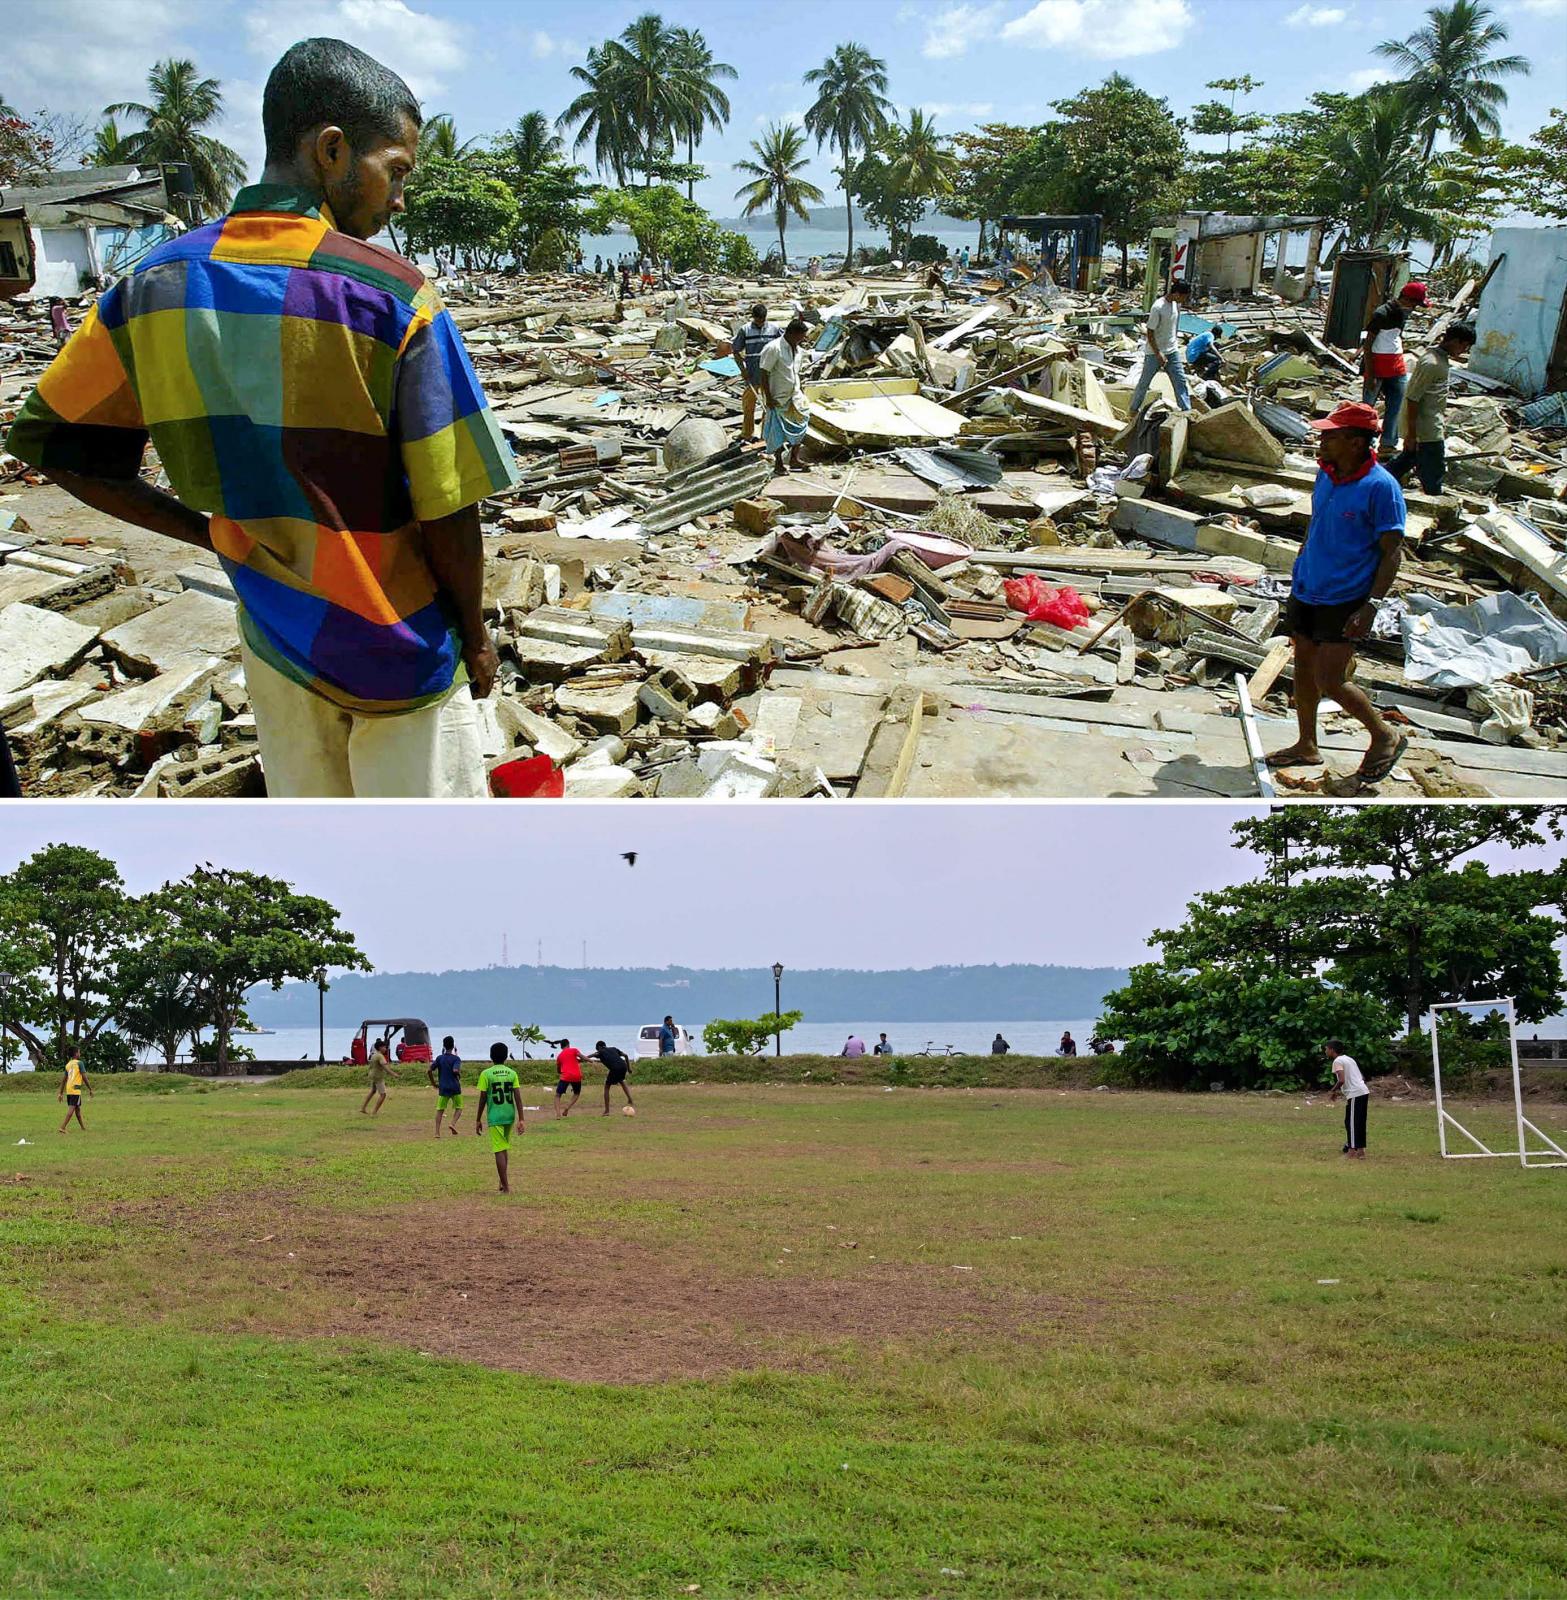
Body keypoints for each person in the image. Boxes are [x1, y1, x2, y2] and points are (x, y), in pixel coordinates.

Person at [4, 39, 518, 800]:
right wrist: (474, 633)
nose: (399, 198)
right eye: (396, 171)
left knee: (317, 880)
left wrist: (205, 529)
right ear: (332, 151)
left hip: (277, 642)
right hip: (398, 647)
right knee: (428, 876)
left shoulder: (149, 284)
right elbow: (448, 503)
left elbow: (61, 449)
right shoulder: (391, 296)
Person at [1267, 401, 1408, 785]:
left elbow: (1392, 552)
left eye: (1331, 436)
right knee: (1304, 668)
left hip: (1346, 597)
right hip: (1309, 585)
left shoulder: (1381, 488)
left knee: (1331, 678)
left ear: (1356, 442)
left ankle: (1384, 735)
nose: (1322, 441)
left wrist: (1372, 605)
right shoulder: (1326, 474)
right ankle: (1307, 744)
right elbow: (1317, 520)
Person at [1386, 322, 1475, 495]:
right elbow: (1412, 398)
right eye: (1464, 345)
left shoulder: (1439, 360)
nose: (1464, 350)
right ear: (1455, 341)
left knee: (1403, 463)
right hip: (1427, 431)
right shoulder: (1431, 363)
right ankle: (1435, 503)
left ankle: (1373, 485)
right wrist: (1411, 434)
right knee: (1433, 474)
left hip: (1428, 427)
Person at [1359, 280, 1428, 453]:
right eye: (1413, 303)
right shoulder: (1382, 313)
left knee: (1396, 405)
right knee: (1367, 408)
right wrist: (1371, 374)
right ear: (1405, 298)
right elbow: (1368, 345)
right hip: (1377, 365)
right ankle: (1364, 441)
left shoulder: (1402, 313)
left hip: (1396, 365)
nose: (1414, 308)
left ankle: (1388, 443)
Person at [1128, 279, 1192, 414]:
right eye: (1183, 297)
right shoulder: (1158, 307)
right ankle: (1133, 410)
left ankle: (1187, 411)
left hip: (1172, 351)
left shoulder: (1175, 305)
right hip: (1154, 352)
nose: (1184, 300)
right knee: (1144, 383)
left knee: (1180, 382)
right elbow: (1150, 332)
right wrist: (1158, 353)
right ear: (1176, 293)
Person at [758, 317, 811, 474]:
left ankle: (794, 459)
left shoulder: (798, 350)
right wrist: (768, 397)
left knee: (802, 424)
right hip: (778, 398)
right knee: (778, 432)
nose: (802, 340)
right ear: (792, 334)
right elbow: (763, 373)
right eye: (801, 337)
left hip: (795, 396)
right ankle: (779, 463)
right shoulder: (774, 348)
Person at [474, 1041, 522, 1193]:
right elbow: (518, 1097)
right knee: (504, 1147)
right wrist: (521, 1119)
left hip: (495, 1116)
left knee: (498, 1150)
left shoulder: (486, 1074)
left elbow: (483, 1098)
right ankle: (502, 1182)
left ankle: (506, 1187)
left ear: (491, 1056)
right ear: (506, 1056)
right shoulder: (512, 1073)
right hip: (509, 1114)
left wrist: (478, 1119)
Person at [731, 302, 780, 444]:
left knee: (769, 404)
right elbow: (735, 351)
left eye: (763, 319)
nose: (761, 322)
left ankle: (766, 433)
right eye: (758, 319)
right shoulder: (745, 330)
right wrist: (743, 370)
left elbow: (783, 345)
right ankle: (747, 432)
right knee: (748, 404)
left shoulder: (774, 328)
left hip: (770, 373)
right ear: (753, 318)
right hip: (752, 373)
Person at [1325, 1039, 1369, 1159]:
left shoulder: (1337, 1061)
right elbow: (1362, 1077)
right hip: (1363, 1091)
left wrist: (1333, 1091)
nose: (1325, 1051)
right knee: (1359, 1122)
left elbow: (1342, 1080)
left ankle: (1351, 1152)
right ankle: (1361, 1151)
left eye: (1326, 1048)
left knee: (1351, 1123)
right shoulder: (1349, 1059)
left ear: (1332, 1050)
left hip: (1355, 1093)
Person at [428, 1034, 463, 1138]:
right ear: (453, 1046)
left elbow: (429, 1070)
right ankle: (452, 1124)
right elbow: (455, 1070)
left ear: (443, 1046)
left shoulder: (439, 1058)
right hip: (455, 1087)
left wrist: (433, 1083)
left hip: (443, 1088)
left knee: (440, 1110)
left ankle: (437, 1133)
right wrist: (458, 1074)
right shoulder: (456, 1059)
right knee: (459, 1108)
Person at [591, 1039, 634, 1115]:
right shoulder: (614, 1048)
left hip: (615, 1068)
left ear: (599, 1047)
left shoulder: (600, 1052)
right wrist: (629, 1068)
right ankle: (630, 1099)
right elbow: (626, 1055)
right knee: (621, 1080)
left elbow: (592, 1055)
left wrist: (580, 1059)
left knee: (607, 1086)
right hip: (623, 1066)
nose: (597, 1051)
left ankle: (607, 1111)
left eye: (597, 1049)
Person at [57, 1051, 92, 1133]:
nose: (80, 1054)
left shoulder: (68, 1065)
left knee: (77, 1109)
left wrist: (61, 1093)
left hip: (69, 1089)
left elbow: (64, 1080)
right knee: (72, 1109)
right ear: (76, 1054)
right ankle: (62, 1127)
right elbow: (84, 1077)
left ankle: (83, 1128)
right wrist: (90, 1089)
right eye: (79, 1052)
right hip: (75, 1089)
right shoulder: (80, 1063)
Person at [361, 1037, 395, 1114]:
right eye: (385, 1047)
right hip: (378, 1077)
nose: (386, 1049)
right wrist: (394, 1074)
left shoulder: (374, 1055)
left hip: (372, 1075)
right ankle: (374, 1112)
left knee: (373, 1091)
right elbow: (385, 1067)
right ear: (380, 1047)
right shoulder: (380, 1056)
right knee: (383, 1094)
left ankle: (363, 1108)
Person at [554, 1037, 583, 1116]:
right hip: (576, 1076)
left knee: (557, 1095)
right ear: (568, 1044)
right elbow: (582, 1057)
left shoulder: (559, 1056)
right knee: (576, 1093)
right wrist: (590, 1060)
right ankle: (567, 1107)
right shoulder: (574, 1050)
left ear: (561, 1046)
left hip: (565, 1076)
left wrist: (562, 1071)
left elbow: (558, 1070)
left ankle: (558, 1114)